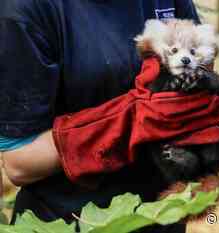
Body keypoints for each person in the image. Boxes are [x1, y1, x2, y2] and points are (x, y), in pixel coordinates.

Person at [0, 0, 200, 232]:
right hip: (71, 220)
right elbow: (20, 163)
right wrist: (128, 124)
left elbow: (199, 62)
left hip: (160, 214)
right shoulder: (27, 9)